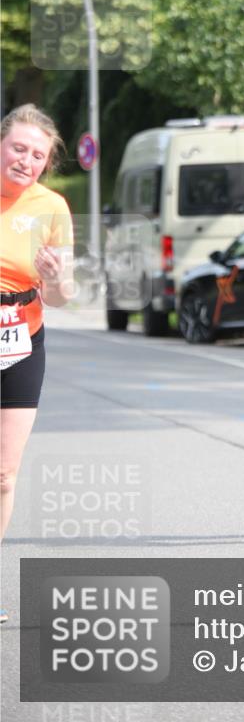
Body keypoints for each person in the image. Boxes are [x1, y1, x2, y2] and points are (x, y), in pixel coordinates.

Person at [0, 105, 74, 618]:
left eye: (37, 155)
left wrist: (53, 277)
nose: (26, 160)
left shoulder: (52, 208)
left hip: (20, 339)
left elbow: (63, 296)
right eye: (18, 148)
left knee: (4, 475)